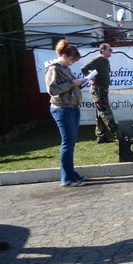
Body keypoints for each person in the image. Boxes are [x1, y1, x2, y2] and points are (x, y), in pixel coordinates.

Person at [45, 39, 86, 187]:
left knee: (71, 142)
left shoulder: (65, 69)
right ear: (64, 55)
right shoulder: (53, 68)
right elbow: (52, 90)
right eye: (71, 59)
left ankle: (71, 173)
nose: (72, 62)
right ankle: (67, 178)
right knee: (67, 143)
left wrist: (81, 83)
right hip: (62, 109)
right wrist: (72, 83)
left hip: (72, 107)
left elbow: (69, 87)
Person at [80, 43, 118, 143]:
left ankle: (101, 136)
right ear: (102, 51)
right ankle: (117, 134)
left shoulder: (106, 61)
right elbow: (83, 68)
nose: (111, 51)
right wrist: (90, 77)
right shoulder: (98, 59)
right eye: (109, 50)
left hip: (103, 90)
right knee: (106, 112)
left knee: (100, 113)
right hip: (98, 90)